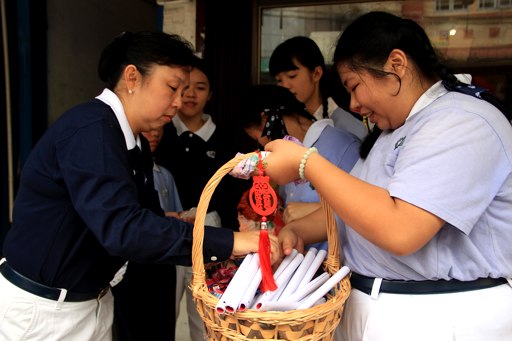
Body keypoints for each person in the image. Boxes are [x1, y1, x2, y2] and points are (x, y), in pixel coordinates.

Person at [0, 31, 279, 341]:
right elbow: (125, 229)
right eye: (172, 88)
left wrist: (173, 222)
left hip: (92, 302)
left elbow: (143, 216)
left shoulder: (134, 142)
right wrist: (231, 242)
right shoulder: (91, 131)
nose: (177, 102)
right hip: (45, 311)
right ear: (132, 77)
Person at [262, 11, 512, 341]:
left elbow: (401, 229)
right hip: (381, 305)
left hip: (436, 314)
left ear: (396, 64)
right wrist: (297, 231)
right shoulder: (393, 128)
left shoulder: (462, 120)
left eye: (354, 87)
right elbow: (358, 212)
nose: (354, 104)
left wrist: (309, 163)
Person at [153, 55, 247, 341]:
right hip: (166, 239)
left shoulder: (230, 140)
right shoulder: (159, 134)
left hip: (214, 241)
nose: (191, 94)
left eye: (201, 87)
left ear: (211, 94)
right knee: (159, 318)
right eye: (184, 88)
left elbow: (236, 194)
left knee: (206, 324)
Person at [241, 84, 360, 250]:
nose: (261, 145)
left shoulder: (344, 146)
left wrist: (317, 210)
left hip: (339, 263)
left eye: (256, 138)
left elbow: (365, 207)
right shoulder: (283, 154)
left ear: (265, 120)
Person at [111, 125, 184, 341]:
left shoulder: (164, 175)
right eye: (148, 130)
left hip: (162, 260)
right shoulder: (118, 169)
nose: (154, 134)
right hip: (131, 260)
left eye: (158, 130)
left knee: (162, 324)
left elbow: (175, 213)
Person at [269, 35, 368, 141]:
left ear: (316, 74)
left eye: (292, 76)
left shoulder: (347, 126)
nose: (284, 85)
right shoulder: (279, 122)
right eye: (279, 80)